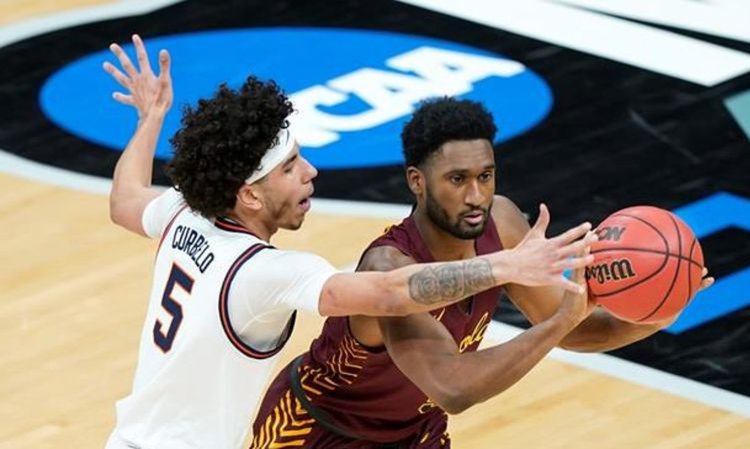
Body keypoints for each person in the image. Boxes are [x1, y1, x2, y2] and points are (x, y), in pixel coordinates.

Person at [101, 35, 597, 449]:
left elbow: (124, 200)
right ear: (249, 194)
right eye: (290, 167)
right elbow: (389, 292)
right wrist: (506, 267)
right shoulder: (261, 272)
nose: (310, 172)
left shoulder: (185, 211)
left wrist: (151, 118)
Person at [249, 97, 716, 449]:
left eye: (485, 176)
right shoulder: (390, 267)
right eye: (457, 180)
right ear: (417, 181)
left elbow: (576, 331)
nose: (476, 196)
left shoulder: (503, 224)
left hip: (414, 433)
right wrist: (560, 322)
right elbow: (453, 387)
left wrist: (655, 315)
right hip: (319, 431)